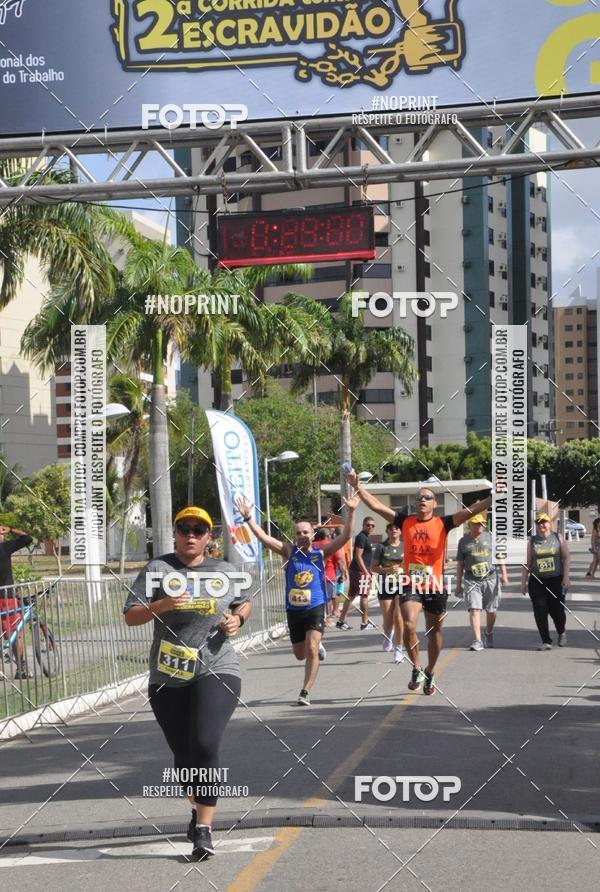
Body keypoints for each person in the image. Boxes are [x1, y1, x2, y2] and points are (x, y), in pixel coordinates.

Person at [123, 506, 251, 862]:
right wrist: (162, 604)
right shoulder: (158, 569)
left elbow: (244, 603)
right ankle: (197, 807)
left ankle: (205, 829)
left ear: (210, 537)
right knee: (184, 753)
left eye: (199, 529)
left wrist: (237, 619)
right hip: (168, 673)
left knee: (205, 742)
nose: (191, 535)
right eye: (184, 529)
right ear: (175, 533)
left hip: (217, 665)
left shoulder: (225, 570)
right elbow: (131, 615)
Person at [344, 469, 492, 696]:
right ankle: (416, 667)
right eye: (419, 497)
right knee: (409, 623)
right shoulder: (405, 521)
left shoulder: (444, 523)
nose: (422, 500)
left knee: (434, 633)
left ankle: (430, 671)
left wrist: (494, 497)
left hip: (435, 586)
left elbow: (472, 510)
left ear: (434, 504)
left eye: (427, 497)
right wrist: (357, 486)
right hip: (410, 584)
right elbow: (376, 506)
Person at [236, 493, 358, 706]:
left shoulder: (321, 552)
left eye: (305, 532)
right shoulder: (288, 551)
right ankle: (316, 647)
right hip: (294, 610)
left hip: (316, 607)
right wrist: (248, 519)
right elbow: (264, 538)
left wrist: (352, 512)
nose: (302, 535)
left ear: (313, 535)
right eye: (298, 532)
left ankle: (305, 691)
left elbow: (346, 537)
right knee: (300, 655)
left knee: (310, 649)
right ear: (294, 535)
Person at [455, 514, 509, 651]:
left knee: (492, 611)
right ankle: (477, 640)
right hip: (471, 579)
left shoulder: (490, 537)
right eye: (477, 523)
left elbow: (500, 556)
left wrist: (504, 574)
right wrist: (458, 585)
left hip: (491, 578)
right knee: (474, 609)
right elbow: (460, 564)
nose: (480, 526)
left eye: (482, 524)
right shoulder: (463, 541)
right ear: (470, 525)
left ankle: (488, 632)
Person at [520, 512, 569, 650]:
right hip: (537, 581)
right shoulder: (532, 541)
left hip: (556, 580)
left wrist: (566, 576)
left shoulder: (558, 537)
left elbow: (566, 558)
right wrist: (523, 582)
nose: (541, 524)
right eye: (538, 522)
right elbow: (527, 563)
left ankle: (561, 631)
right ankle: (546, 641)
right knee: (540, 611)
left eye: (544, 522)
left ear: (550, 524)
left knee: (558, 611)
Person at [0, 524, 33, 680]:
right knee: (15, 633)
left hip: (6, 597)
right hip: (6, 597)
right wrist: (12, 529)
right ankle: (21, 669)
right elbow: (28, 538)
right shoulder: (5, 548)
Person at [336, 516, 377, 631]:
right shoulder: (362, 537)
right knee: (364, 596)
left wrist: (368, 570)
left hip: (357, 571)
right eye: (368, 525)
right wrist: (365, 572)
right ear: (363, 525)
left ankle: (341, 621)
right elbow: (358, 556)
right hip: (359, 572)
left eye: (372, 525)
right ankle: (364, 623)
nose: (370, 527)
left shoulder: (365, 537)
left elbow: (364, 557)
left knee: (351, 596)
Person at [371, 522, 405, 663]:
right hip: (385, 584)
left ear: (400, 531)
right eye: (391, 529)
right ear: (388, 531)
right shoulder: (381, 546)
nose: (394, 530)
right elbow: (374, 567)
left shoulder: (406, 545)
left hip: (402, 584)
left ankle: (398, 650)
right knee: (388, 617)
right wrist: (387, 570)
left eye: (396, 528)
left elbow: (411, 564)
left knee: (398, 616)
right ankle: (387, 634)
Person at [313, 527, 347, 625]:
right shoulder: (331, 546)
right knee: (327, 599)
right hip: (329, 577)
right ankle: (327, 619)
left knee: (317, 598)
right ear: (328, 536)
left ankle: (317, 618)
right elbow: (340, 562)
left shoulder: (313, 545)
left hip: (315, 577)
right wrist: (343, 574)